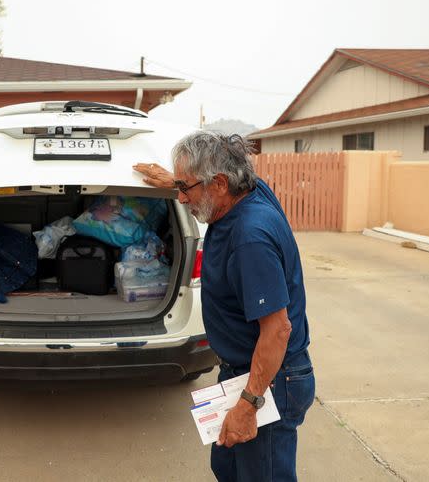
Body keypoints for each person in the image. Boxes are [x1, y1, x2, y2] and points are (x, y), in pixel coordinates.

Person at [134, 132, 315, 482]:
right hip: (243, 372)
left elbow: (278, 330)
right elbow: (204, 184)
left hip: (271, 380)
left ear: (218, 184)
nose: (182, 199)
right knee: (228, 467)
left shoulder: (250, 237)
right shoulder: (247, 189)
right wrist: (176, 181)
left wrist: (249, 404)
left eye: (186, 188)